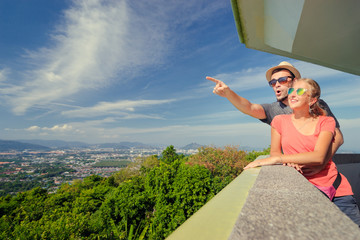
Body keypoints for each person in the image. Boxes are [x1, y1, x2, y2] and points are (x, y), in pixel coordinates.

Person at [243, 78, 360, 226]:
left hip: (337, 192)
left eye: (299, 91)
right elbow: (275, 153)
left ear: (312, 100)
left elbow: (319, 156)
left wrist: (281, 159)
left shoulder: (326, 122)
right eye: (291, 90)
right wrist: (284, 160)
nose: (292, 94)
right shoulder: (279, 121)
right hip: (303, 191)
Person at [207, 61, 344, 175]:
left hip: (327, 175)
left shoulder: (317, 105)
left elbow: (338, 137)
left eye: (282, 80)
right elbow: (249, 107)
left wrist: (321, 163)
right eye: (273, 82)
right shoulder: (272, 110)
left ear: (294, 81)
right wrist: (229, 93)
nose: (277, 84)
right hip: (296, 174)